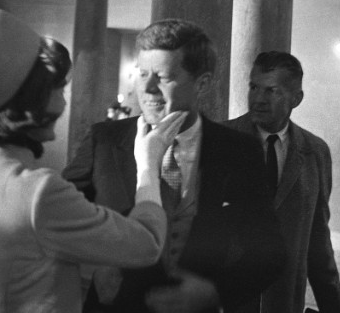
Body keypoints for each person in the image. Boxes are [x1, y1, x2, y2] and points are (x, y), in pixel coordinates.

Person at [0, 7, 189, 313]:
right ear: (33, 99)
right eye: (58, 89)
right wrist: (148, 165)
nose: (64, 101)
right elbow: (146, 244)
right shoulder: (37, 193)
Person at [62, 19, 286, 313]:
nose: (148, 89)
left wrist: (215, 293)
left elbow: (270, 250)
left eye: (163, 77)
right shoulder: (104, 141)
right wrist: (93, 264)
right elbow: (60, 220)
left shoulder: (239, 151)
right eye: (142, 74)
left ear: (202, 83)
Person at [224, 51, 340, 313]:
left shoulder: (314, 152)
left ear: (296, 99)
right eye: (253, 87)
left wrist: (336, 307)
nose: (258, 98)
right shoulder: (220, 140)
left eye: (272, 91)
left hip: (283, 300)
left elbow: (318, 240)